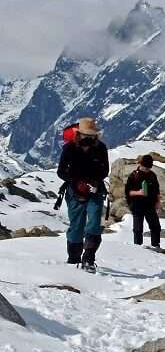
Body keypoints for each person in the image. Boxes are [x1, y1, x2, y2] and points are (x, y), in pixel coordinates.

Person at [57, 117, 109, 273]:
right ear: (79, 134)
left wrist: (93, 182)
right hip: (74, 191)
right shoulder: (69, 149)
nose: (90, 138)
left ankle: (89, 258)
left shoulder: (101, 148)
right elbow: (61, 171)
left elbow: (104, 171)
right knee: (76, 227)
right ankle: (73, 259)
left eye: (92, 136)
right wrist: (75, 181)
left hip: (95, 190)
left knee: (94, 223)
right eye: (87, 135)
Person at [125, 154, 161, 248]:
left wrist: (158, 202)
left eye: (149, 168)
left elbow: (157, 190)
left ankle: (156, 245)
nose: (147, 170)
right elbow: (128, 192)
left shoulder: (152, 175)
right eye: (145, 167)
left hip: (150, 204)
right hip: (137, 205)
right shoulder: (133, 176)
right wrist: (139, 192)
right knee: (138, 228)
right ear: (141, 165)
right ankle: (138, 247)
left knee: (155, 226)